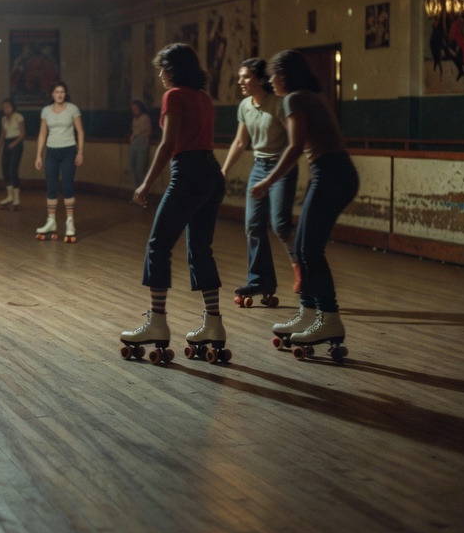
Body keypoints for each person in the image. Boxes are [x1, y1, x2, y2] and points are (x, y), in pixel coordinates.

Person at [119, 43, 227, 364]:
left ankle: (157, 322)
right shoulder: (204, 99)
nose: (161, 75)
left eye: (163, 69)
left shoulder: (175, 96)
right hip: (212, 173)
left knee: (158, 246)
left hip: (189, 172)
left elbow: (168, 144)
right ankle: (214, 324)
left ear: (173, 69)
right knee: (200, 249)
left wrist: (145, 184)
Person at [252, 50, 360, 360]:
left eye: (273, 75)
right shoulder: (311, 95)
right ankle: (308, 312)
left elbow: (296, 146)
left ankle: (329, 319)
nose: (270, 81)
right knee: (301, 246)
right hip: (331, 172)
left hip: (331, 173)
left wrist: (267, 181)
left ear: (283, 75)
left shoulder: (294, 99)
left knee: (309, 250)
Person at [219, 59, 297, 306]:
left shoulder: (279, 104)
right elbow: (241, 142)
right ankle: (259, 280)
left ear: (260, 79)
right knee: (253, 225)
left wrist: (278, 172)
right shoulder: (244, 106)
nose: (240, 81)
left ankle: (303, 269)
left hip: (282, 167)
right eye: (240, 77)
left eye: (245, 77)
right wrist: (224, 170)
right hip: (258, 167)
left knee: (280, 223)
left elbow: (294, 140)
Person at [33, 81, 84, 241]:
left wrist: (80, 152)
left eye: (62, 92)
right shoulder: (46, 111)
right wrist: (39, 155)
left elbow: (80, 132)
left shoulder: (73, 109)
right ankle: (51, 221)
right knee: (51, 187)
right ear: (52, 95)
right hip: (52, 152)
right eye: (56, 92)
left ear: (65, 94)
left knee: (68, 185)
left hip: (69, 151)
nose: (59, 94)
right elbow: (42, 133)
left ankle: (70, 222)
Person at [0, 98, 25, 209]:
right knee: (5, 169)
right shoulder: (3, 119)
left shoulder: (18, 116)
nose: (5, 108)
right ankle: (10, 196)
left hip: (17, 143)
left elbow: (22, 134)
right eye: (4, 107)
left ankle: (17, 199)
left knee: (13, 170)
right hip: (7, 144)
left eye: (7, 106)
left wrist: (14, 143)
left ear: (12, 106)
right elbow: (2, 135)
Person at [128, 100, 152, 192]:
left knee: (139, 169)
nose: (134, 110)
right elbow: (134, 131)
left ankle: (142, 192)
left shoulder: (145, 117)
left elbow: (140, 131)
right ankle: (138, 189)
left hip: (142, 143)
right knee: (132, 166)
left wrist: (134, 135)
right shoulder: (134, 119)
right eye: (132, 109)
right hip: (134, 143)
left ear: (140, 108)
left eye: (136, 108)